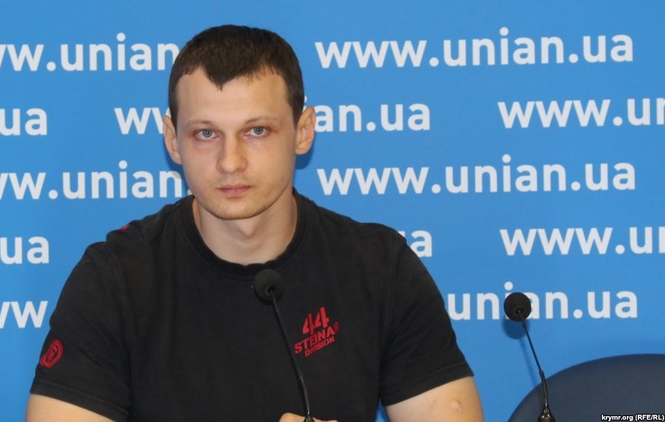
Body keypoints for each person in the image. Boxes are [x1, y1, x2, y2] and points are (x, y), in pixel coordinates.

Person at [26, 25, 484, 422]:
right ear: (173, 140)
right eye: (206, 133)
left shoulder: (379, 267)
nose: (230, 161)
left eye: (257, 131)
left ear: (303, 131)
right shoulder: (115, 279)